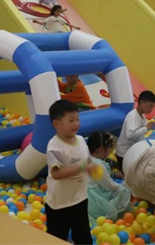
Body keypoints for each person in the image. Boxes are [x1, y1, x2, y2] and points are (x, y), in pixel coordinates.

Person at [45, 100, 98, 244]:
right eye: (71, 120)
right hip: (59, 204)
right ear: (56, 124)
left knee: (83, 236)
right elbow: (56, 174)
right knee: (56, 238)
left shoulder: (81, 140)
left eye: (77, 119)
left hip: (80, 198)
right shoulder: (54, 146)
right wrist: (82, 168)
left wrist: (93, 169)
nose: (76, 124)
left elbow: (88, 161)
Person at [87, 132, 131, 225]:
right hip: (92, 202)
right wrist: (126, 185)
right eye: (109, 148)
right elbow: (111, 187)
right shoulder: (98, 165)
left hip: (81, 198)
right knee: (124, 191)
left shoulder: (85, 159)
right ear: (101, 150)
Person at [116, 90, 155, 168]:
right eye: (150, 106)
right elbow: (130, 134)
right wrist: (147, 128)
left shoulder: (143, 116)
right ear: (141, 103)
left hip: (133, 150)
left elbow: (142, 132)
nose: (151, 109)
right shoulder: (132, 116)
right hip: (124, 153)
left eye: (153, 107)